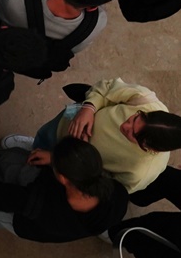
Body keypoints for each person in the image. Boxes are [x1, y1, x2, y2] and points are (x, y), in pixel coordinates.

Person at [0, 133, 127, 242]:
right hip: (45, 229)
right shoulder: (117, 193)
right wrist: (55, 159)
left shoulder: (42, 204)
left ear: (61, 177)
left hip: (20, 222)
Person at [28, 78, 181, 194]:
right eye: (135, 117)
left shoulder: (139, 173)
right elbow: (108, 88)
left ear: (152, 149)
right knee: (42, 138)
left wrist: (59, 161)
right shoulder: (146, 100)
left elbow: (98, 185)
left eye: (133, 134)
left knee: (35, 173)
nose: (124, 126)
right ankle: (34, 146)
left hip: (66, 164)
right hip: (62, 124)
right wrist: (89, 108)